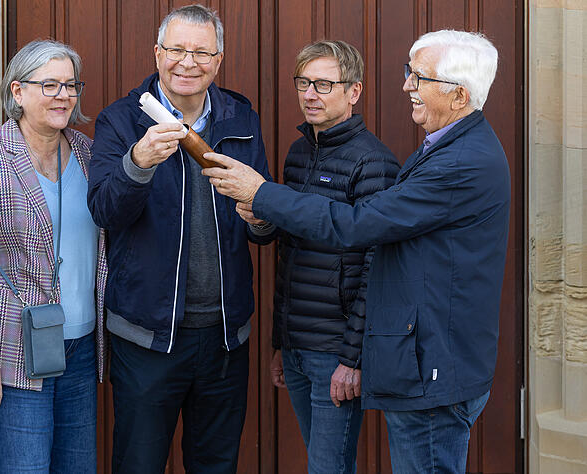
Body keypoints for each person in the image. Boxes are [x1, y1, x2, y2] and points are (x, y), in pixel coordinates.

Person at [203, 30, 507, 474]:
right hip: (418, 358)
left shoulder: (459, 163)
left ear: (458, 94)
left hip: (433, 366)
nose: (406, 85)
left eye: (417, 76)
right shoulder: (448, 147)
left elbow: (359, 226)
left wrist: (261, 192)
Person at [87, 4, 273, 473]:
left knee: (215, 463)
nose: (187, 62)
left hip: (225, 336)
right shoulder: (121, 121)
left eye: (201, 52)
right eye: (176, 50)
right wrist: (138, 163)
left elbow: (261, 223)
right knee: (139, 463)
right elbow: (105, 210)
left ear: (218, 59)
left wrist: (262, 218)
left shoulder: (241, 118)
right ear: (157, 53)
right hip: (148, 336)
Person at [0, 39, 106, 474]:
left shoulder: (90, 153)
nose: (63, 95)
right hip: (9, 353)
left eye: (71, 85)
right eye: (50, 85)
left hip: (79, 349)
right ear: (16, 92)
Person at [254, 40, 399, 474]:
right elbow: (288, 252)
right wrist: (281, 343)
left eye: (323, 84)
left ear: (353, 92)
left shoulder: (374, 162)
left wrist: (351, 359)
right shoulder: (299, 153)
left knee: (328, 468)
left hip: (335, 353)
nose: (310, 94)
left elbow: (378, 267)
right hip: (297, 345)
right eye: (303, 82)